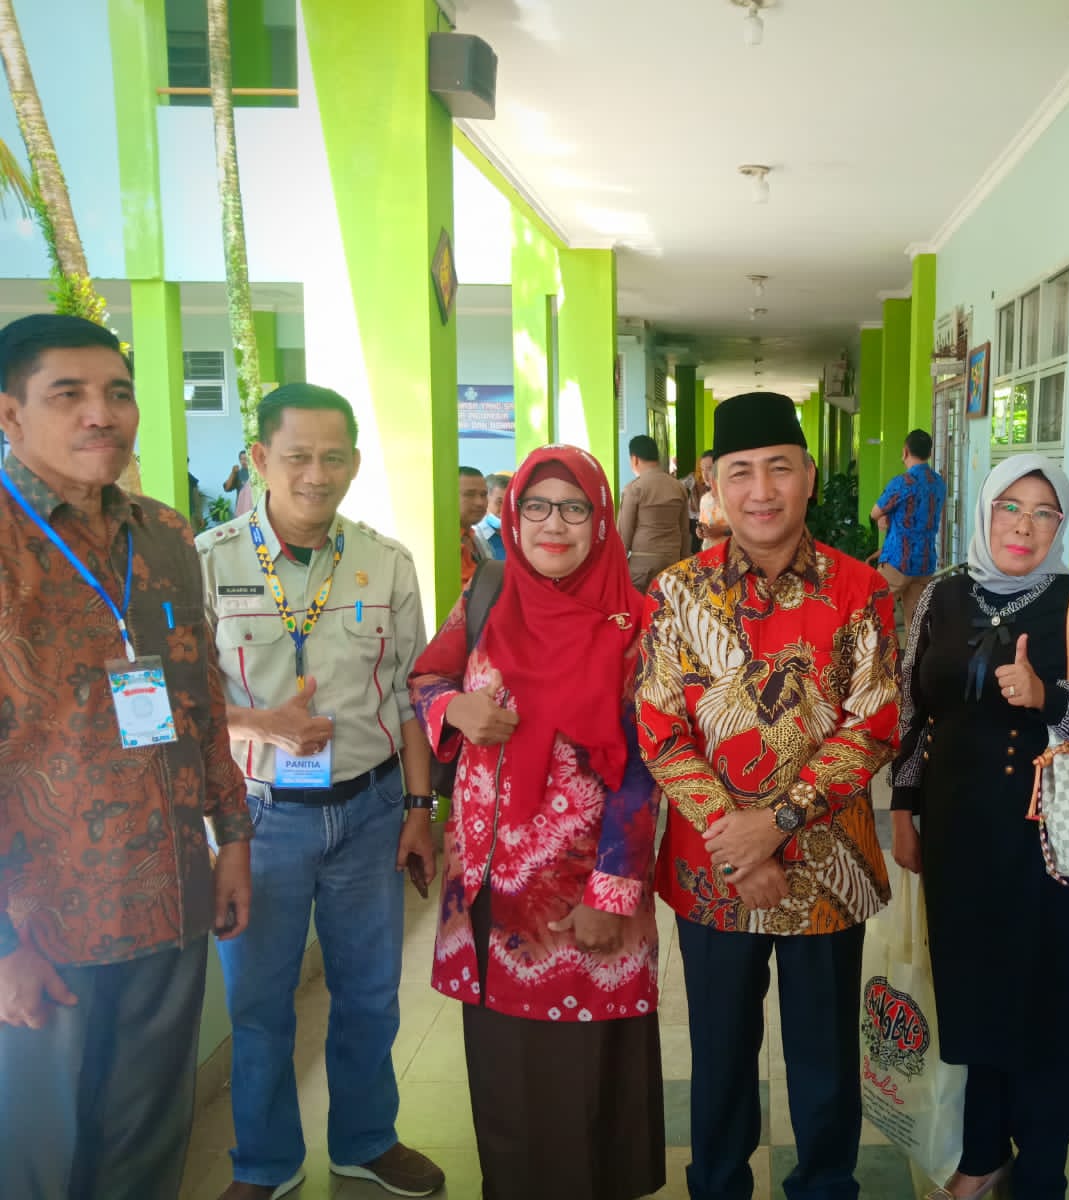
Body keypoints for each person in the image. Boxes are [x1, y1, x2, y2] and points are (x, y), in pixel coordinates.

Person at [0, 313, 253, 1200]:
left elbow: (200, 698)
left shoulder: (165, 535)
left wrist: (233, 842)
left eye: (117, 393)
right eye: (67, 394)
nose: (100, 413)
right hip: (43, 918)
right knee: (38, 1158)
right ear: (10, 414)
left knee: (147, 1141)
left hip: (172, 896)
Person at [636, 391, 899, 1200]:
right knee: (719, 1053)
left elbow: (873, 725)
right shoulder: (675, 593)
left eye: (778, 468)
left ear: (808, 476)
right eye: (740, 471)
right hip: (713, 869)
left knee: (825, 1057)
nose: (760, 491)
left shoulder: (860, 589)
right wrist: (736, 837)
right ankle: (719, 1185)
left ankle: (825, 1186)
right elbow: (661, 730)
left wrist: (776, 823)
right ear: (712, 483)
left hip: (828, 870)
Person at [197, 383, 444, 1200]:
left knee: (369, 994)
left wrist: (420, 811)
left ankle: (367, 1140)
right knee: (260, 1006)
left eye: (333, 457)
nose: (316, 473)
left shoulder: (386, 560)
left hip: (370, 811)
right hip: (257, 820)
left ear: (355, 463)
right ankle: (265, 1163)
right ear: (261, 458)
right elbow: (176, 699)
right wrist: (259, 724)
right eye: (297, 455)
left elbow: (409, 695)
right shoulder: (208, 562)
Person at [889, 453, 1069, 1200]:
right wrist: (904, 809)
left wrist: (1048, 697)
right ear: (984, 511)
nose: (1023, 526)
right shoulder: (941, 597)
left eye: (1043, 513)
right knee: (974, 997)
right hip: (958, 835)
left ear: (1059, 525)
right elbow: (913, 713)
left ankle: (1039, 1176)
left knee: (1042, 1012)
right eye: (1010, 507)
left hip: (1048, 843)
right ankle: (981, 1157)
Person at [409, 444, 665, 1199]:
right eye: (537, 507)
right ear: (513, 517)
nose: (555, 525)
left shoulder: (638, 623)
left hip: (584, 888)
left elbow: (644, 770)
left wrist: (610, 894)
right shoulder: (487, 593)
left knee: (586, 1069)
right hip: (489, 887)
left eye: (574, 508)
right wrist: (453, 707)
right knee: (503, 1067)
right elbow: (428, 674)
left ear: (602, 519)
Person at [871, 429, 946, 625]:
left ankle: (880, 646)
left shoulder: (902, 482)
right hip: (925, 563)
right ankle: (912, 648)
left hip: (898, 562)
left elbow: (874, 512)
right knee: (916, 624)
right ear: (929, 453)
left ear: (905, 452)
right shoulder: (939, 482)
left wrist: (884, 516)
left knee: (871, 612)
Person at [618, 434, 692, 592]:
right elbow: (685, 530)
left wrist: (617, 565)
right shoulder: (678, 487)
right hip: (672, 563)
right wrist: (684, 562)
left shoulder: (634, 489)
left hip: (642, 566)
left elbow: (624, 533)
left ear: (634, 459)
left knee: (640, 606)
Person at [459, 466, 492, 586]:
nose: (480, 502)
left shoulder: (477, 539)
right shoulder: (440, 543)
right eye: (469, 494)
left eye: (483, 495)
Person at [475, 471, 510, 561]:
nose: (505, 509)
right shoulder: (475, 537)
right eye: (499, 502)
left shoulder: (518, 537)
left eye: (509, 503)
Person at [696, 459, 730, 552]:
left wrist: (721, 531)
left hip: (732, 553)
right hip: (709, 553)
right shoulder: (705, 499)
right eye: (702, 469)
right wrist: (700, 531)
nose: (705, 474)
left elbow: (747, 529)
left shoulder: (734, 496)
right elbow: (704, 525)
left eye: (710, 468)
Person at [225, 448, 254, 516]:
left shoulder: (256, 473)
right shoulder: (237, 473)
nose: (244, 461)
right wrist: (233, 473)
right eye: (241, 459)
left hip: (255, 509)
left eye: (246, 459)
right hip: (242, 510)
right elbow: (227, 488)